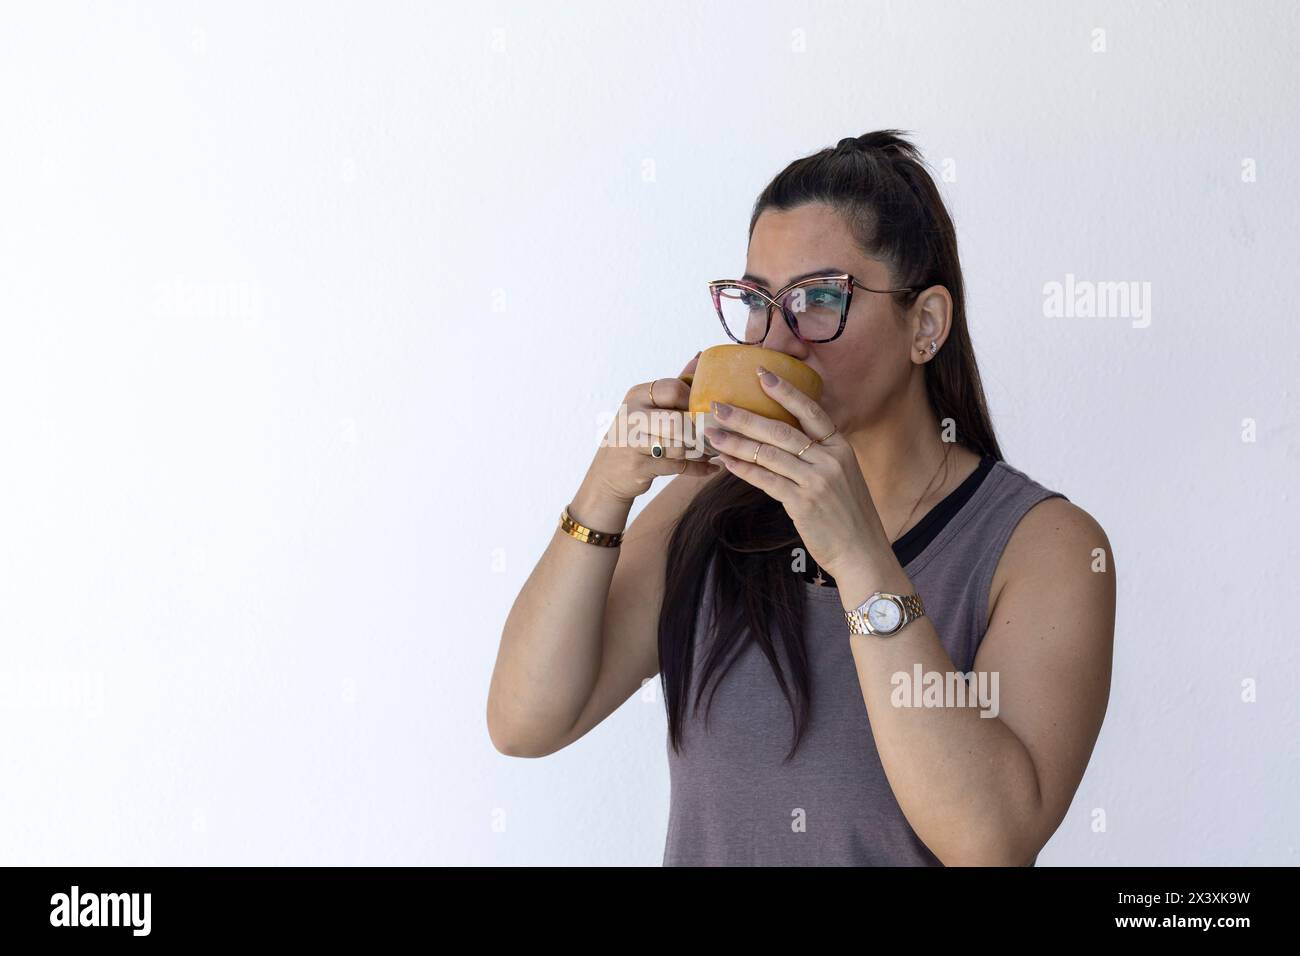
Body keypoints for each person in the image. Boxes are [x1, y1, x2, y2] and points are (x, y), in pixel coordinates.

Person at [487, 130, 1116, 866]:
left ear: (926, 325)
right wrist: (605, 489)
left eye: (819, 299)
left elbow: (990, 841)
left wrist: (858, 555)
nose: (778, 342)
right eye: (757, 301)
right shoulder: (707, 511)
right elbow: (524, 724)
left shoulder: (1045, 547)